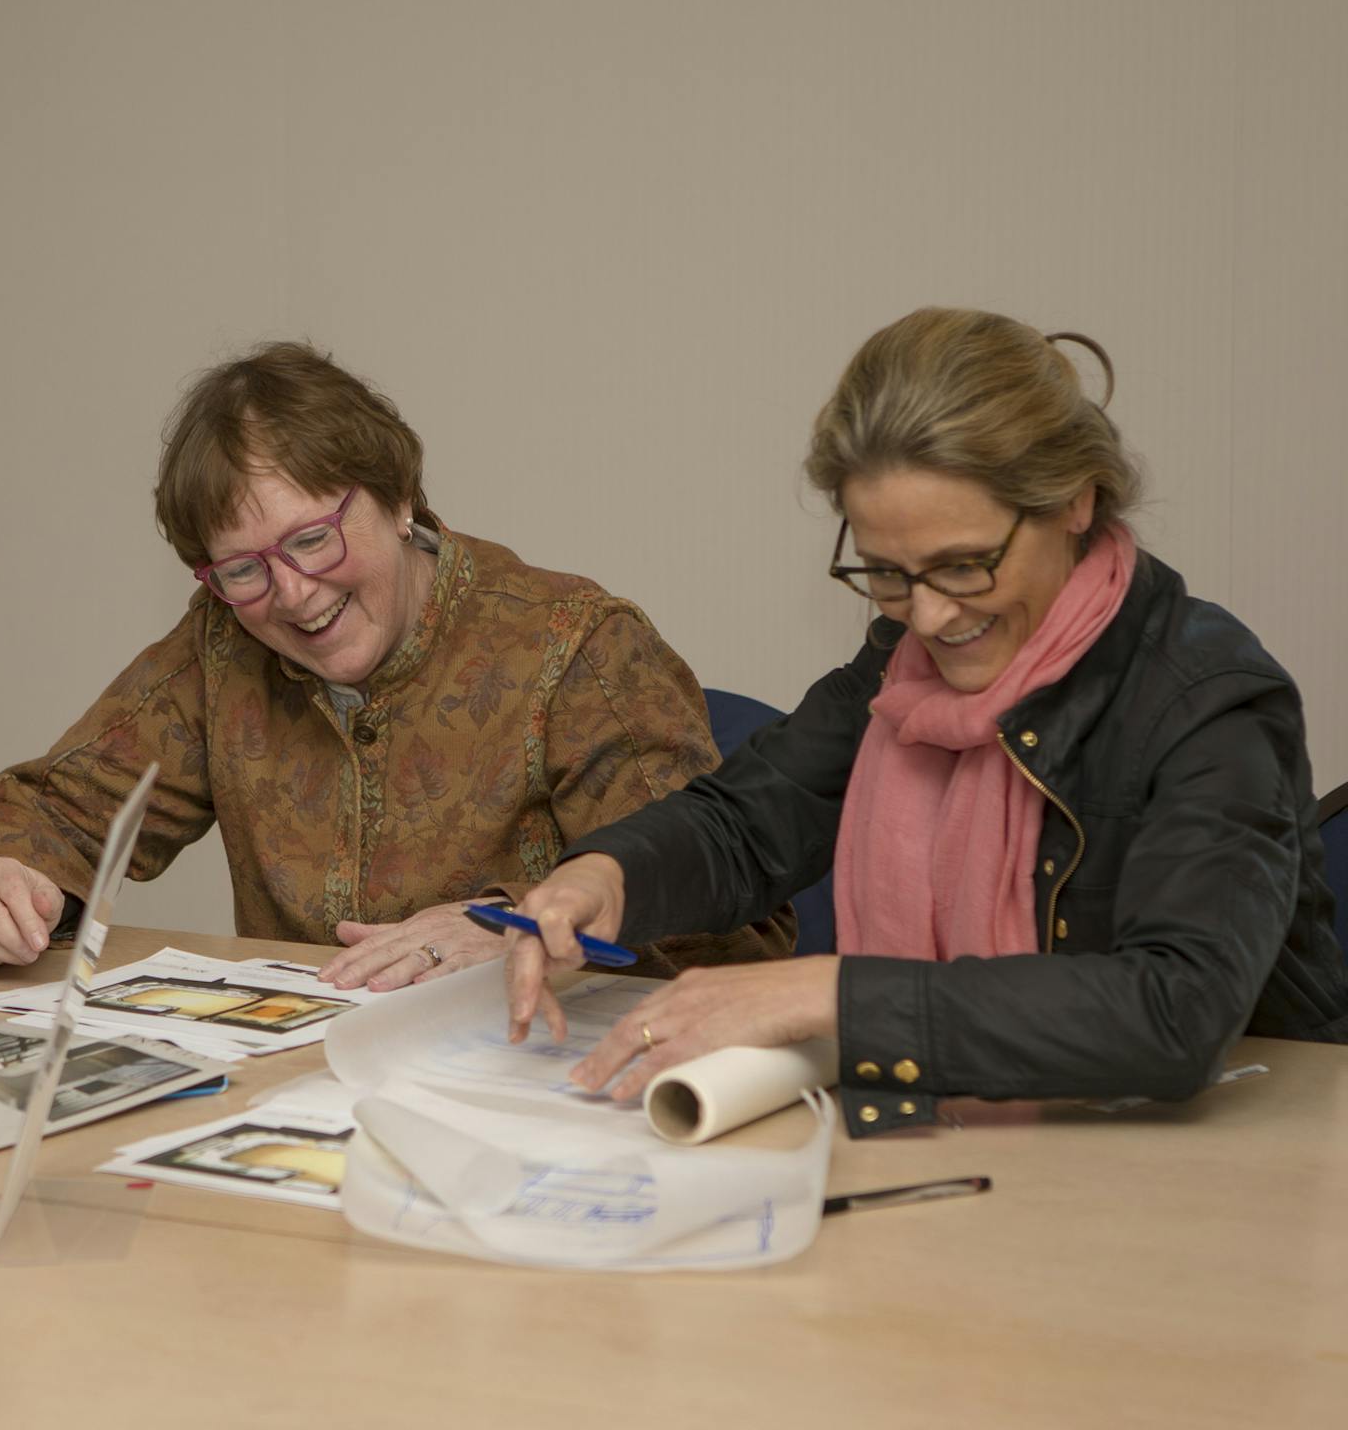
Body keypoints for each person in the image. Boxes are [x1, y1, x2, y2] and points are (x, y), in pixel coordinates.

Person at [505, 307, 1348, 1134]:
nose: (932, 617)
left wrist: (830, 993)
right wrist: (611, 874)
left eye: (964, 566)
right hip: (969, 1143)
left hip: (1233, 1166)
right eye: (886, 572)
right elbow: (750, 821)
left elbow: (1174, 1011)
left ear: (1074, 503)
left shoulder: (1207, 698)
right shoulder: (900, 660)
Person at [0, 342, 790, 979]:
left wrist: (514, 927)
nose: (293, 595)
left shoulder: (578, 650)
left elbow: (730, 933)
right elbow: (35, 813)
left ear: (398, 495)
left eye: (311, 538)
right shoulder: (223, 647)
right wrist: (5, 878)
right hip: (305, 1102)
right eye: (242, 568)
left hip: (532, 1101)